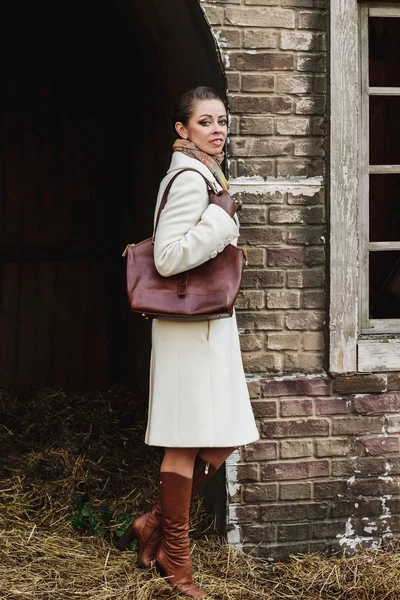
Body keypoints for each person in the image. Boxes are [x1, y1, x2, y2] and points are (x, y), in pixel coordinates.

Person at [118, 86, 259, 599]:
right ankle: (176, 559)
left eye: (222, 120)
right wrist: (221, 220)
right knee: (185, 441)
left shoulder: (207, 174)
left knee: (226, 432)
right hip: (186, 331)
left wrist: (219, 215)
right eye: (205, 122)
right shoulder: (186, 178)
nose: (218, 129)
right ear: (182, 130)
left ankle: (153, 522)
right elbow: (168, 259)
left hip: (209, 327)